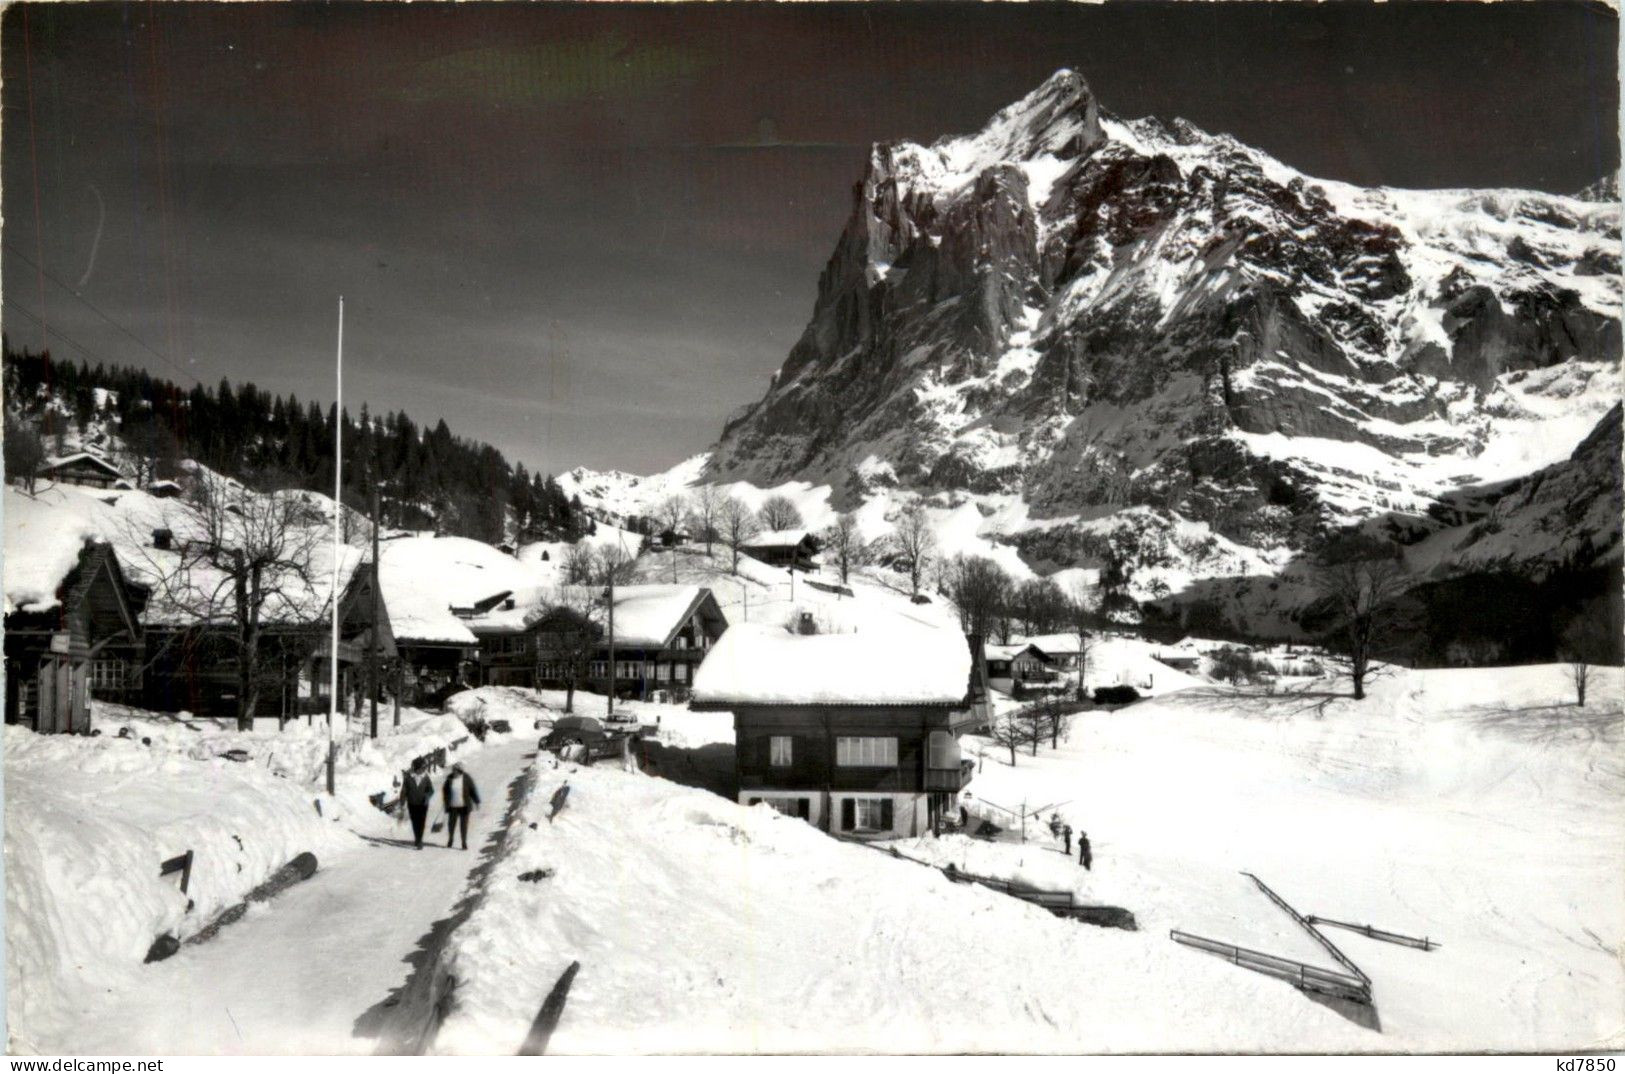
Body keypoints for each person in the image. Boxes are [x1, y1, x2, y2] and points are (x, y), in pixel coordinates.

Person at [442, 761, 481, 850]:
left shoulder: (466, 778)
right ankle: (450, 839)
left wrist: (477, 801)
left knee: (463, 825)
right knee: (451, 825)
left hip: (464, 806)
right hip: (452, 806)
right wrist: (445, 801)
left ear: (460, 771)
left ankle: (464, 842)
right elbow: (445, 790)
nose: (453, 771)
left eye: (455, 770)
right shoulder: (449, 779)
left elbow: (472, 790)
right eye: (453, 770)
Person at [401, 758, 435, 850]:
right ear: (417, 768)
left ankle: (419, 841)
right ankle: (417, 838)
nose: (423, 769)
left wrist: (427, 796)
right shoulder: (408, 778)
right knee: (415, 822)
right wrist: (402, 802)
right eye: (422, 768)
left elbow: (431, 790)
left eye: (424, 768)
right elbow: (404, 791)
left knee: (421, 822)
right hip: (412, 803)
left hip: (423, 804)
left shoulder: (426, 778)